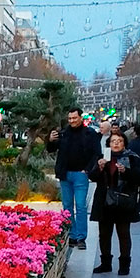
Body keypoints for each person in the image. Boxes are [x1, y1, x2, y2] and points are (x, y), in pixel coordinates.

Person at [89, 133, 140, 275]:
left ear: (124, 144)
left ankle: (124, 264)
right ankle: (105, 263)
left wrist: (126, 172)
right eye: (113, 141)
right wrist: (99, 168)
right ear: (109, 144)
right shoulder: (103, 157)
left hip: (124, 201)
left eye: (119, 141)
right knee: (104, 234)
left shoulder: (132, 157)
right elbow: (92, 176)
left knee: (123, 233)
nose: (116, 144)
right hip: (105, 201)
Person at [46, 107, 101, 250]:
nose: (72, 121)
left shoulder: (90, 134)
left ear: (81, 118)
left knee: (81, 206)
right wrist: (51, 140)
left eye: (74, 118)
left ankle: (81, 237)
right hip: (65, 174)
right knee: (67, 206)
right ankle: (72, 235)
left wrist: (87, 170)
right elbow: (51, 149)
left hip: (80, 175)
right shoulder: (63, 134)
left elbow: (97, 154)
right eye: (70, 118)